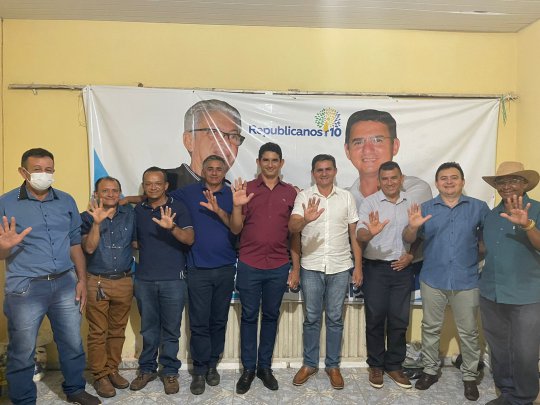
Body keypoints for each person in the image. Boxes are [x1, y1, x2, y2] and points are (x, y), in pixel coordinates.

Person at [0, 148, 100, 405]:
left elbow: (75, 243)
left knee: (72, 342)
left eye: (48, 170)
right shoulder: (5, 203)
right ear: (23, 172)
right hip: (25, 288)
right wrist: (5, 247)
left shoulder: (66, 201)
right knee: (22, 350)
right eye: (37, 170)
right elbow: (1, 253)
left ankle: (75, 389)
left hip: (65, 283)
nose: (43, 174)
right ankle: (23, 400)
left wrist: (81, 280)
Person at [403, 162, 489, 402]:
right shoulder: (426, 208)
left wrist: (472, 256)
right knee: (430, 328)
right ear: (437, 183)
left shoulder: (479, 207)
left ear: (462, 181)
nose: (449, 182)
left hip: (467, 279)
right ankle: (430, 371)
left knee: (469, 331)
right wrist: (412, 227)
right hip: (433, 278)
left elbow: (486, 241)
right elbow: (409, 237)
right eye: (444, 178)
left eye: (454, 177)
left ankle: (470, 376)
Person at [230, 142, 299, 394]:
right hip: (250, 263)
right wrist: (237, 205)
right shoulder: (246, 189)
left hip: (279, 265)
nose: (270, 164)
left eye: (275, 160)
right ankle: (248, 369)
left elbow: (295, 235)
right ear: (258, 162)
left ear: (281, 163)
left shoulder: (291, 193)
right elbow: (235, 229)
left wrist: (296, 268)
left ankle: (264, 368)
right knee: (249, 317)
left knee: (270, 317)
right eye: (266, 160)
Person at [289, 154, 361, 390]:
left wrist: (358, 266)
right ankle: (309, 364)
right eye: (319, 170)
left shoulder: (347, 197)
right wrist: (305, 219)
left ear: (335, 171)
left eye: (328, 169)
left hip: (340, 266)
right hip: (311, 266)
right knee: (311, 318)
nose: (324, 173)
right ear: (313, 173)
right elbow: (292, 229)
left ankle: (333, 365)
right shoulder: (304, 197)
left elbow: (354, 235)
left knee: (335, 318)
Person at [171, 155, 236, 395]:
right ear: (202, 170)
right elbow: (159, 197)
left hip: (226, 267)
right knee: (198, 322)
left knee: (218, 321)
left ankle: (212, 365)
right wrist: (129, 199)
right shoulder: (188, 192)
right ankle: (198, 370)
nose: (215, 172)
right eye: (210, 168)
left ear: (225, 171)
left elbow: (237, 227)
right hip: (198, 268)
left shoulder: (233, 195)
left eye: (219, 169)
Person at [129, 167, 194, 395]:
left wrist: (172, 227)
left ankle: (169, 372)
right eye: (148, 183)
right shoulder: (138, 210)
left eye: (158, 183)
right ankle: (146, 369)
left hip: (173, 280)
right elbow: (135, 242)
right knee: (148, 329)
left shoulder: (178, 207)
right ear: (144, 186)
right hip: (144, 279)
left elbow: (189, 239)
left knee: (171, 330)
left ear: (166, 185)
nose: (153, 187)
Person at [480, 161, 540, 405]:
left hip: (526, 295)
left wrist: (528, 226)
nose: (507, 186)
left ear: (525, 184)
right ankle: (506, 392)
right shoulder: (490, 216)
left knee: (526, 351)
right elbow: (485, 249)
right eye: (501, 181)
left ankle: (524, 398)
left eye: (514, 180)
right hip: (491, 293)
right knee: (499, 349)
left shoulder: (536, 210)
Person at [356, 161, 416, 390]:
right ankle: (376, 366)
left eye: (394, 178)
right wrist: (370, 233)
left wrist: (411, 255)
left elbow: (418, 234)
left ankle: (394, 365)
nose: (390, 182)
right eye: (385, 179)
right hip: (376, 268)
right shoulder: (370, 203)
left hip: (402, 268)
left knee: (399, 320)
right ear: (379, 181)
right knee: (375, 319)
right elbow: (360, 234)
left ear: (401, 179)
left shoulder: (411, 202)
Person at [81, 176, 136, 398]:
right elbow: (89, 248)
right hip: (97, 281)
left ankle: (112, 369)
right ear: (96, 194)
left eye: (115, 190)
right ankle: (100, 375)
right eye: (105, 191)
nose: (111, 194)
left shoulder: (130, 214)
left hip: (124, 280)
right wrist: (97, 223)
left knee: (117, 330)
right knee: (97, 331)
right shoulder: (86, 217)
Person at [344, 109, 432, 208]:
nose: (367, 150)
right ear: (347, 150)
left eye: (377, 140)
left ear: (395, 146)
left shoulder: (416, 189)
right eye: (358, 142)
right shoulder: (341, 198)